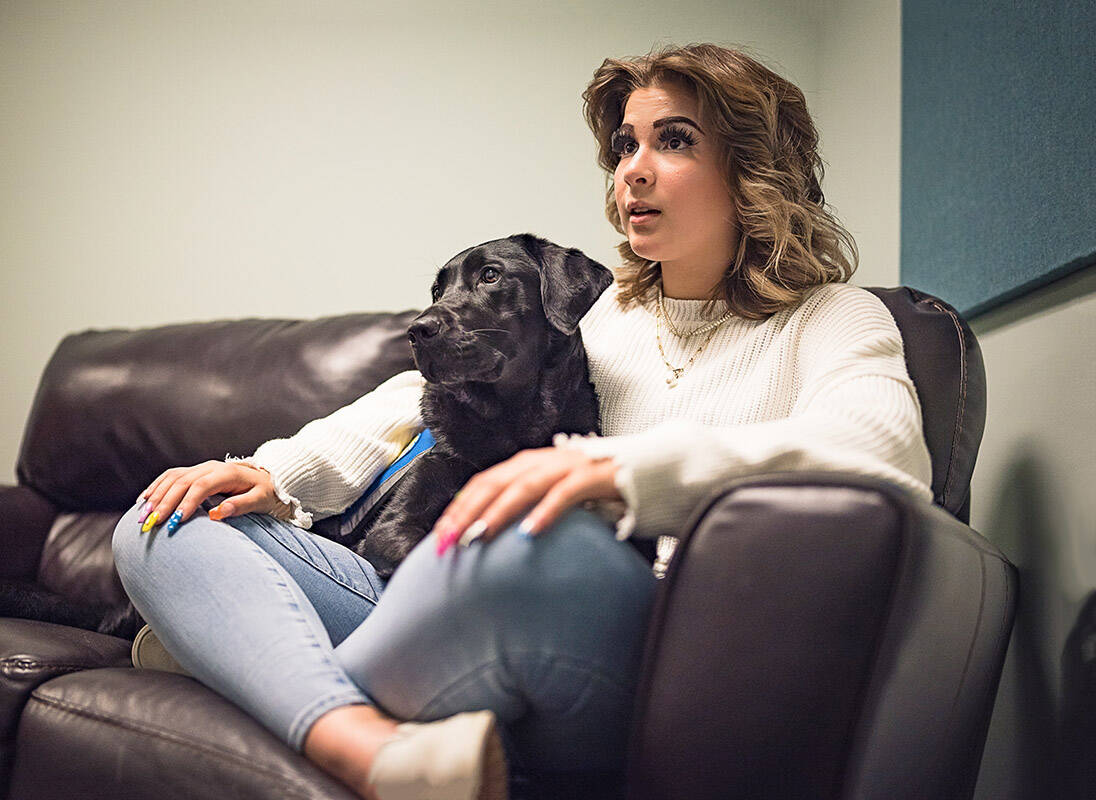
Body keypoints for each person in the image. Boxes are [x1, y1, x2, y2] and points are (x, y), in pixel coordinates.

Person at [112, 43, 933, 800]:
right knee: (160, 525)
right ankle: (361, 746)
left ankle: (236, 658)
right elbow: (417, 399)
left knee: (517, 539)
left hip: (623, 644)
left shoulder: (832, 320)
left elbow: (883, 446)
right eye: (624, 146)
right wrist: (274, 474)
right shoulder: (598, 313)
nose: (633, 172)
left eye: (672, 141)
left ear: (754, 169)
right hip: (449, 610)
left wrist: (618, 474)